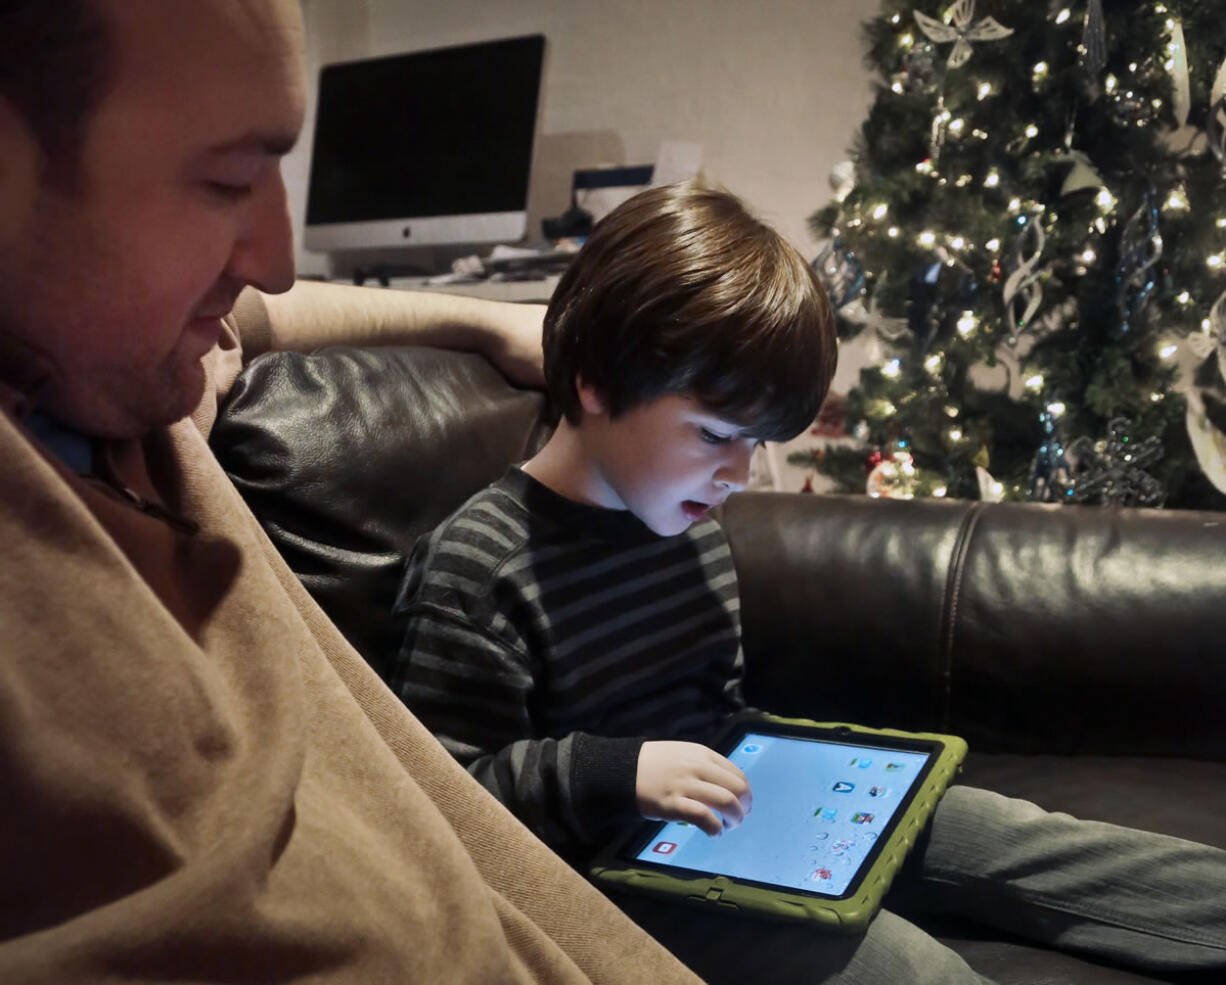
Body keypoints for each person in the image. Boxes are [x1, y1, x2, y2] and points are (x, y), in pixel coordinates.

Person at [0, 1, 703, 981]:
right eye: (226, 181)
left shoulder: (130, 357)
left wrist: (483, 321)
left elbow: (270, 309)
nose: (276, 255)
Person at [391, 184, 1226, 984]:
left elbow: (715, 714)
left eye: (755, 442)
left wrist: (822, 770)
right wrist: (615, 771)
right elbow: (436, 801)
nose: (738, 473)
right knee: (910, 970)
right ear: (598, 382)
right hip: (606, 879)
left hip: (730, 820)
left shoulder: (690, 534)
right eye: (717, 433)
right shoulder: (481, 567)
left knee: (1024, 838)